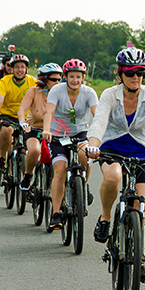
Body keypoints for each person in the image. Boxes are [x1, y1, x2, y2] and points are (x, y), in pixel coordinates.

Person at [85, 47, 145, 284]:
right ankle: (106, 216)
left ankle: (143, 262)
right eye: (130, 73)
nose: (135, 77)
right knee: (113, 176)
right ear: (120, 74)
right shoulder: (109, 94)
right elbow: (99, 122)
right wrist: (93, 145)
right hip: (112, 146)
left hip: (142, 149)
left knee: (143, 205)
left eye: (140, 72)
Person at [41, 59, 98, 230]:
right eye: (71, 76)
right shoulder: (57, 91)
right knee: (60, 168)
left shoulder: (89, 93)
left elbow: (98, 115)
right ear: (65, 77)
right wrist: (46, 130)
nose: (75, 80)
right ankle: (56, 212)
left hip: (81, 133)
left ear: (83, 78)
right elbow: (49, 112)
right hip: (58, 134)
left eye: (78, 77)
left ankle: (83, 185)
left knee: (86, 155)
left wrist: (102, 135)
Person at [17, 62, 62, 191]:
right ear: (44, 79)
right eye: (53, 80)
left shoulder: (62, 93)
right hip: (34, 129)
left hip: (54, 131)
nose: (57, 83)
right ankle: (28, 175)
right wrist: (22, 122)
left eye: (59, 79)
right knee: (34, 150)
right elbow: (22, 109)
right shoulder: (34, 91)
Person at [0, 54, 37, 172]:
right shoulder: (5, 81)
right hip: (7, 115)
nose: (20, 70)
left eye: (22, 67)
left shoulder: (32, 81)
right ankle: (2, 158)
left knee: (27, 146)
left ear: (27, 69)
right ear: (12, 69)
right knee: (6, 130)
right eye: (17, 67)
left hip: (25, 118)